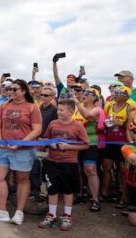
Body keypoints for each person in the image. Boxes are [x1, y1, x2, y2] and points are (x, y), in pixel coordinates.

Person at [0, 79, 42, 225]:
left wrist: (21, 143)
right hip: (3, 148)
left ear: (23, 91)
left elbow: (37, 129)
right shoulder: (4, 106)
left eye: (14, 89)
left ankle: (19, 212)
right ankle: (2, 211)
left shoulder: (32, 108)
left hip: (23, 149)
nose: (10, 91)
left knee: (22, 178)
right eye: (9, 89)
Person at [38, 99, 89, 231]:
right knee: (52, 189)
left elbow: (86, 145)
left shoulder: (78, 126)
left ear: (71, 111)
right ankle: (52, 214)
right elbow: (45, 138)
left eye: (61, 110)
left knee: (68, 190)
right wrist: (49, 143)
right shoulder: (53, 123)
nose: (58, 112)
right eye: (58, 109)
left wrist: (69, 146)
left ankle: (67, 216)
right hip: (52, 161)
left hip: (69, 162)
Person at [101, 86, 136, 208]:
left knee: (122, 170)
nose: (115, 95)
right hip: (110, 141)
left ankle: (124, 196)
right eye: (114, 93)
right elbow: (105, 120)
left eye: (118, 93)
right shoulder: (110, 106)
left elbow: (131, 126)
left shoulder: (129, 107)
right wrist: (107, 123)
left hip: (123, 142)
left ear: (125, 96)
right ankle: (105, 192)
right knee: (106, 167)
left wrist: (119, 123)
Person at [73, 88, 105, 212]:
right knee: (78, 170)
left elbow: (88, 115)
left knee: (90, 170)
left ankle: (95, 199)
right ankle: (80, 194)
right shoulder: (77, 109)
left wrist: (76, 102)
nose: (84, 95)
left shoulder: (97, 109)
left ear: (94, 97)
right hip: (75, 143)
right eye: (84, 93)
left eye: (88, 94)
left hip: (90, 143)